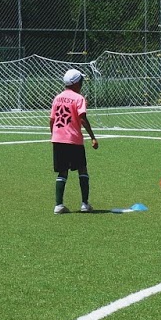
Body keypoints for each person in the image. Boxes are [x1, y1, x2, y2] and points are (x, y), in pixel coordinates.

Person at [50, 68, 99, 213]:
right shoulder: (79, 98)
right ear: (77, 83)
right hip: (73, 139)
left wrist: (54, 134)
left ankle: (58, 205)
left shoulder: (57, 97)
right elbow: (82, 118)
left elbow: (52, 120)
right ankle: (84, 204)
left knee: (62, 172)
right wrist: (93, 137)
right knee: (82, 169)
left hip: (58, 139)